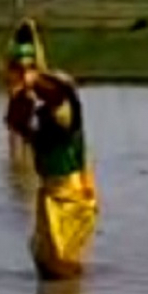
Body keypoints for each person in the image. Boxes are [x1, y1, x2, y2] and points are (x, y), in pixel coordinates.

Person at [9, 70, 99, 280]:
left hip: (70, 191)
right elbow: (31, 134)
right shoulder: (46, 115)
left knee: (61, 248)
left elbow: (51, 134)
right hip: (51, 189)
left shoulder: (67, 115)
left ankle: (62, 291)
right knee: (50, 250)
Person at [5, 17, 47, 133]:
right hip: (26, 86)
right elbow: (31, 67)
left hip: (17, 86)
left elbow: (9, 65)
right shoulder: (31, 49)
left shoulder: (13, 47)